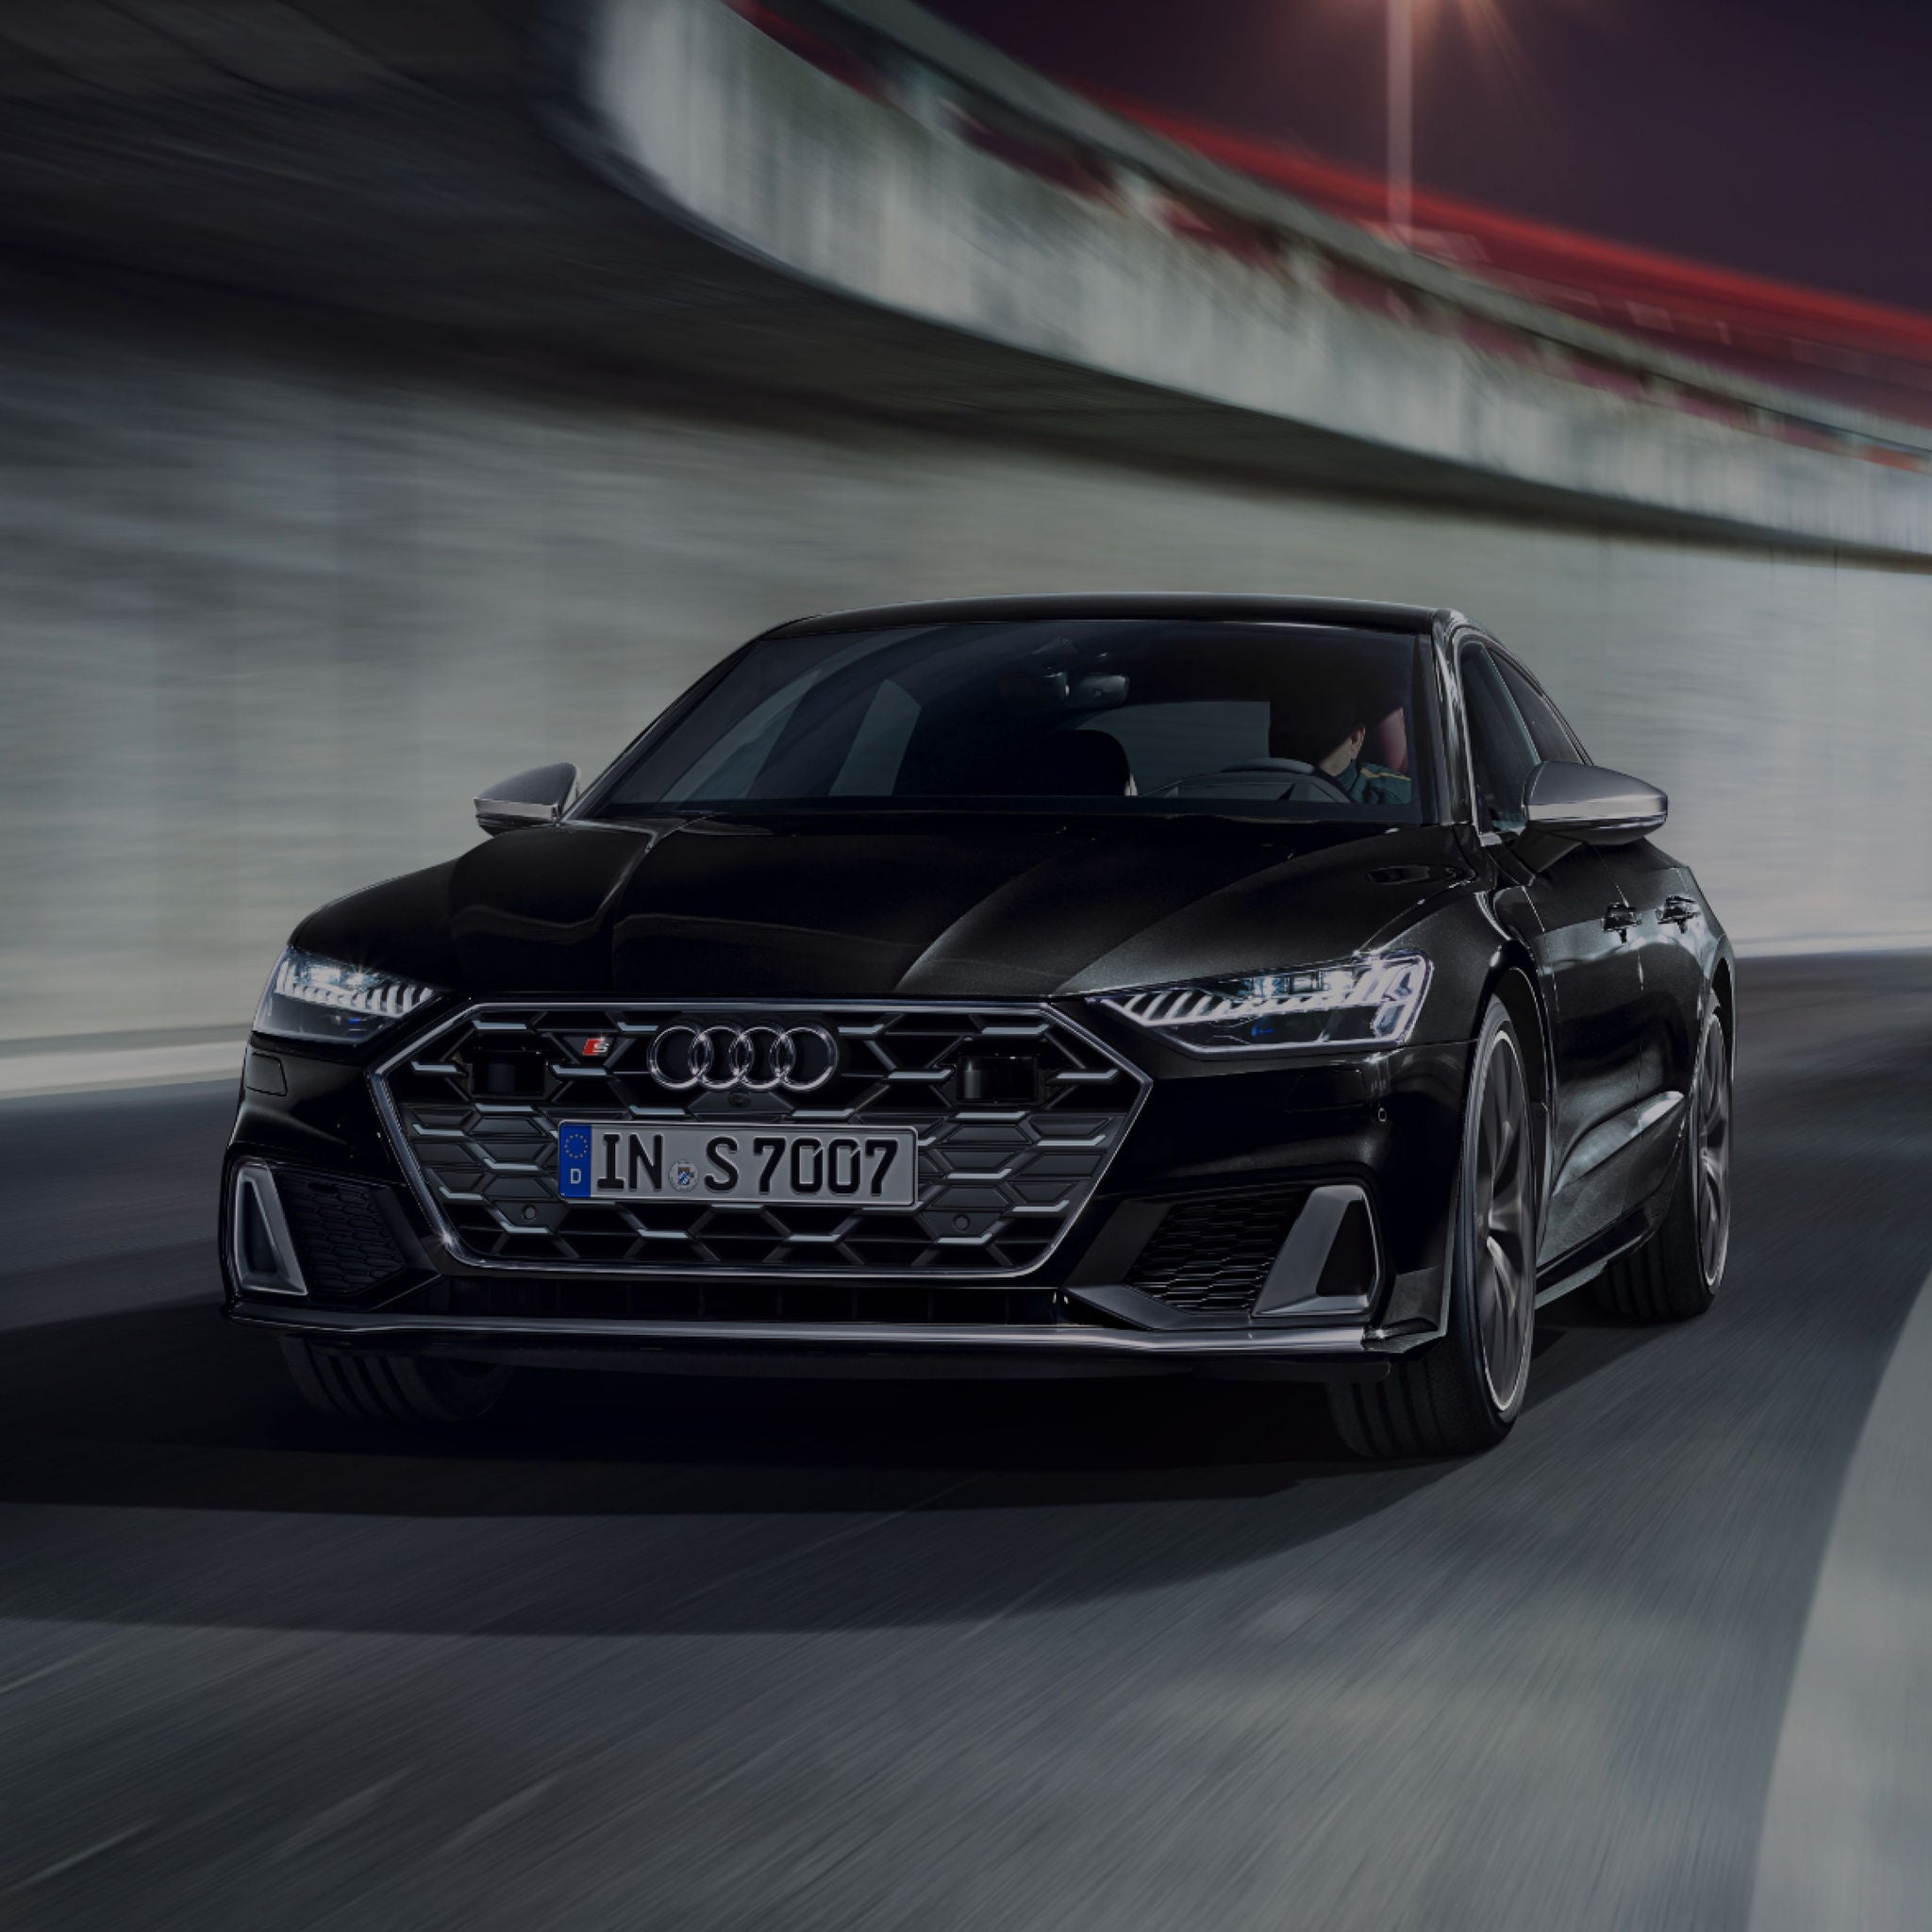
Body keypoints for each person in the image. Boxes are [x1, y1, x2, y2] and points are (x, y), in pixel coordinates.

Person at [1272, 669, 1412, 806]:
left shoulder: (1393, 798)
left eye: (1323, 726)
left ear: (1355, 739)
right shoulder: (1260, 788)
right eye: (1293, 725)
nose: (1304, 741)